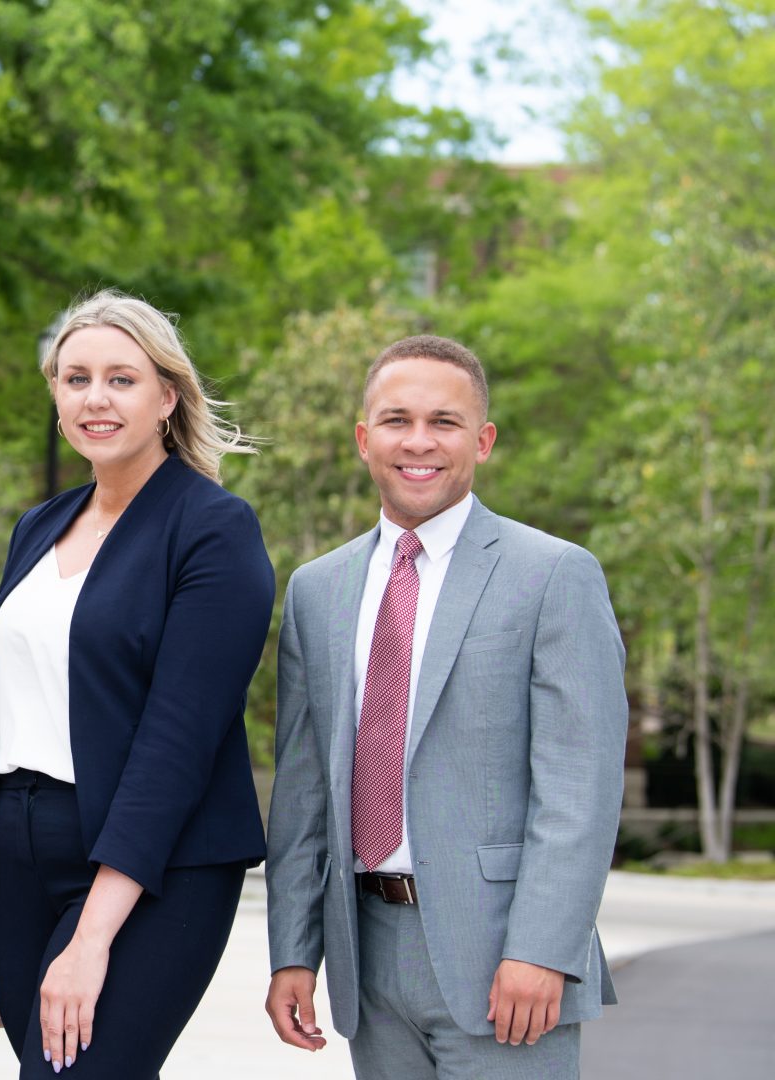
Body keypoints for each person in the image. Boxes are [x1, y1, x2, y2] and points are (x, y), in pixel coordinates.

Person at [263, 335, 626, 1078]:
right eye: (397, 420)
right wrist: (292, 951)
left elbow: (579, 788)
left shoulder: (554, 575)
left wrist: (541, 948)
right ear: (364, 439)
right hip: (366, 956)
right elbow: (303, 792)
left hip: (503, 961)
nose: (418, 442)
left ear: (483, 441)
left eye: (445, 422)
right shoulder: (315, 590)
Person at [0, 289, 275, 1077]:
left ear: (167, 397)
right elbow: (5, 722)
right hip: (22, 847)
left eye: (120, 379)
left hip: (156, 864)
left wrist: (93, 934)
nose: (94, 398)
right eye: (75, 379)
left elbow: (178, 742)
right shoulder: (40, 525)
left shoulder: (213, 528)